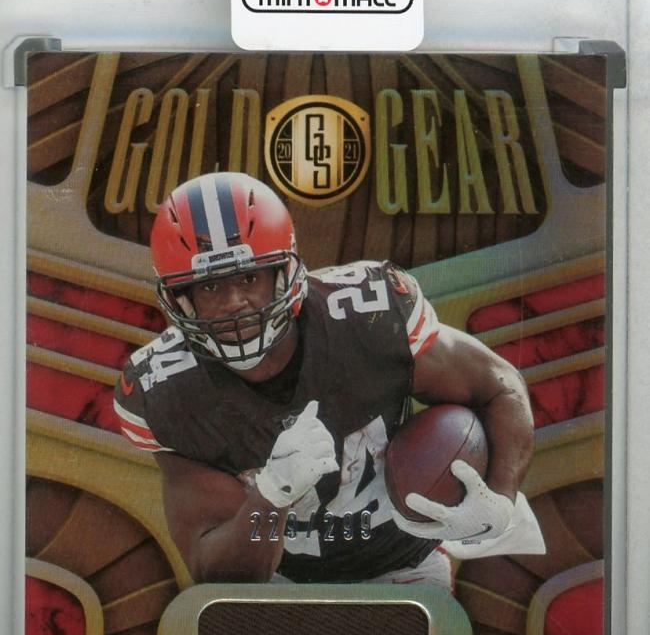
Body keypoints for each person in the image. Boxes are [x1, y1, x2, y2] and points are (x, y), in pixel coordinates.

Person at [114, 172, 543, 589]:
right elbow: (220, 572)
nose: (234, 303)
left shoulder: (368, 316)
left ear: (284, 272)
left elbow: (500, 385)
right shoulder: (166, 391)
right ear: (181, 299)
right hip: (282, 580)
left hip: (404, 564)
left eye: (249, 277)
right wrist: (273, 493)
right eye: (209, 288)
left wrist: (501, 498)